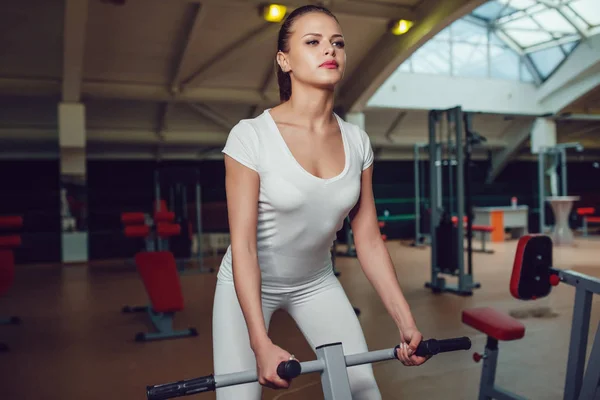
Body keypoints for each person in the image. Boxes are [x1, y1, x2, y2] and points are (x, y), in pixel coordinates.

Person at [212, 5, 428, 399]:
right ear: (284, 59)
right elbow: (242, 247)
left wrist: (405, 320)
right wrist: (260, 343)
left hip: (315, 283)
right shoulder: (250, 137)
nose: (330, 50)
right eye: (312, 42)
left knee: (363, 392)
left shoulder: (357, 141)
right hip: (246, 285)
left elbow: (369, 241)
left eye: (337, 43)